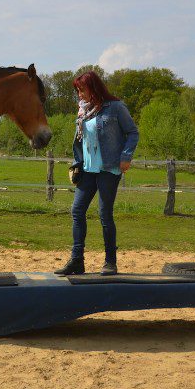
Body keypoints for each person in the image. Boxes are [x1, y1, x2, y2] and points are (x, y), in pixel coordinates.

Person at [55, 71, 139, 276]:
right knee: (77, 211)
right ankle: (77, 261)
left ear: (93, 88)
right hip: (87, 169)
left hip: (109, 169)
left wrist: (126, 156)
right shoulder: (83, 112)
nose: (79, 94)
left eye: (81, 90)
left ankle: (110, 262)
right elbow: (82, 140)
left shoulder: (116, 107)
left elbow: (133, 132)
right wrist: (77, 163)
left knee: (105, 215)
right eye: (77, 91)